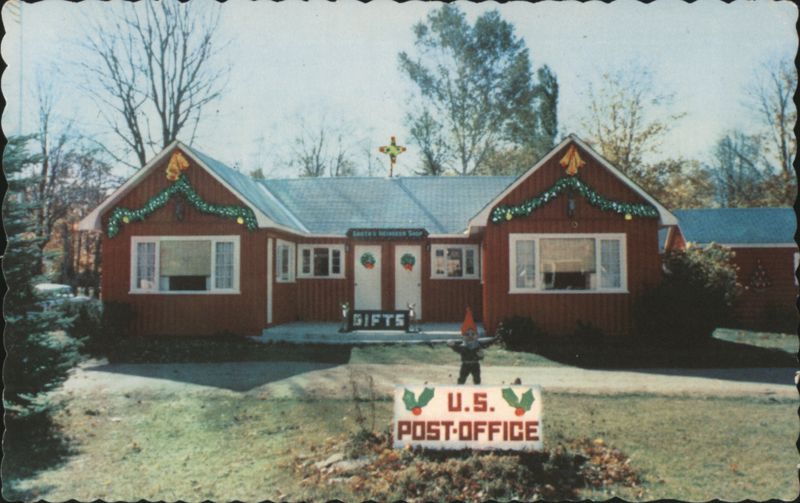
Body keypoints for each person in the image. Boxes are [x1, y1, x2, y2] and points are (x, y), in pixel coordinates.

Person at [448, 307, 496, 385]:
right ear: (463, 336)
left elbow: (486, 347)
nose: (470, 336)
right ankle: (460, 391)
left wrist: (481, 356)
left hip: (475, 364)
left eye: (472, 334)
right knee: (461, 380)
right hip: (465, 365)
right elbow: (457, 348)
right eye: (467, 334)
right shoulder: (463, 346)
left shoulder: (478, 345)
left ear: (476, 335)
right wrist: (452, 345)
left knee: (477, 380)